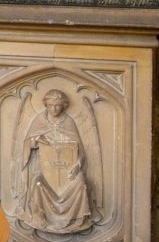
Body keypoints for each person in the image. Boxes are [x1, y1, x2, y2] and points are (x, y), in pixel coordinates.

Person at [16, 89, 98, 234]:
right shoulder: (39, 121)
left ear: (64, 106)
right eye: (51, 105)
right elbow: (26, 144)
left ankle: (76, 220)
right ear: (45, 105)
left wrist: (78, 164)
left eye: (58, 106)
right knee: (37, 182)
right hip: (45, 169)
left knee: (80, 182)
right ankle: (41, 218)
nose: (54, 109)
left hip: (68, 169)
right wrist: (35, 140)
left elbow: (81, 150)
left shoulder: (69, 122)